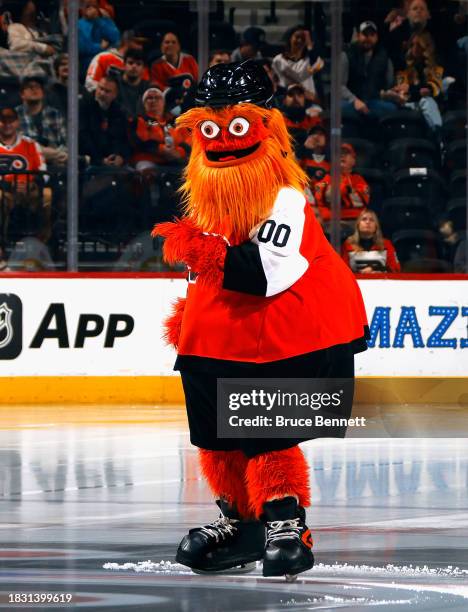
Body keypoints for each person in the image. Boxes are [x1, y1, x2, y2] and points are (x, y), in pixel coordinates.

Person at [152, 61, 368, 579]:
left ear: (265, 128)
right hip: (222, 337)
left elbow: (262, 274)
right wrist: (190, 316)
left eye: (237, 126)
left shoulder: (284, 199)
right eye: (211, 128)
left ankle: (284, 519)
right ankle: (242, 520)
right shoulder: (208, 206)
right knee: (216, 436)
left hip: (287, 332)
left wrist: (197, 251)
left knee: (266, 430)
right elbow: (210, 277)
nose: (223, 141)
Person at [0, 106, 52, 243]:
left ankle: (42, 241)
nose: (7, 125)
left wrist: (30, 183)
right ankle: (1, 244)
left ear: (17, 122)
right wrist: (8, 185)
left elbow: (43, 171)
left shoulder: (30, 144)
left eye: (10, 121)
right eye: (3, 121)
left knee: (47, 194)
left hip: (29, 190)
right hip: (5, 191)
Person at [342, 21, 397, 121]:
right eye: (365, 34)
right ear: (358, 36)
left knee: (391, 109)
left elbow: (389, 86)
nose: (368, 38)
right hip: (350, 102)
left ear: (376, 38)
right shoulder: (346, 55)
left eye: (372, 35)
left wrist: (390, 94)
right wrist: (355, 101)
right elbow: (339, 86)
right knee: (339, 108)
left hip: (374, 102)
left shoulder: (385, 59)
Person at [391, 31, 443, 135]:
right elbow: (403, 94)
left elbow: (434, 88)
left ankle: (438, 135)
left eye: (418, 45)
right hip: (408, 104)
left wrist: (411, 88)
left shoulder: (435, 67)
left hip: (428, 103)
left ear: (426, 47)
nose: (414, 48)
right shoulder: (403, 66)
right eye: (412, 44)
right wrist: (416, 90)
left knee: (427, 101)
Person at [129, 87, 189, 172]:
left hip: (174, 161)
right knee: (147, 171)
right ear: (143, 103)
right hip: (148, 160)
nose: (153, 100)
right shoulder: (138, 120)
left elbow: (186, 143)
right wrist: (161, 149)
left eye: (157, 97)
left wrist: (179, 153)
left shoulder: (176, 121)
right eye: (149, 98)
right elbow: (138, 142)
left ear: (163, 102)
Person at [15, 76, 67, 167]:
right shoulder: (14, 116)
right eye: (30, 87)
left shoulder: (55, 114)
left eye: (38, 87)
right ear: (22, 94)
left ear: (43, 93)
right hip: (25, 164)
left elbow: (64, 142)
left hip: (55, 164)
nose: (34, 90)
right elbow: (16, 145)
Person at [79, 75, 129, 167]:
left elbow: (122, 138)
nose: (102, 93)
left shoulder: (119, 111)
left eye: (107, 91)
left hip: (112, 161)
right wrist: (100, 160)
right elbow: (83, 137)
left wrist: (120, 156)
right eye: (100, 88)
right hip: (89, 159)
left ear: (115, 94)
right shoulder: (84, 106)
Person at [314, 143, 370, 222]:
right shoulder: (326, 178)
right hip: (332, 223)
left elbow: (362, 201)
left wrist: (334, 193)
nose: (342, 156)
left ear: (353, 160)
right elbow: (320, 195)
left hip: (355, 222)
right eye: (339, 154)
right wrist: (348, 191)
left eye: (346, 153)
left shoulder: (358, 179)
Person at [272, 26, 324, 102]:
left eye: (303, 38)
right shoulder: (279, 60)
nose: (299, 40)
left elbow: (319, 64)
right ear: (290, 38)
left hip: (308, 103)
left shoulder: (309, 60)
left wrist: (309, 45)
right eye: (297, 37)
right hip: (286, 101)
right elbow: (276, 84)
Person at [78, 0, 120, 76]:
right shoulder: (78, 25)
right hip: (86, 67)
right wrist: (100, 47)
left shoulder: (105, 21)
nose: (92, 10)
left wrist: (98, 20)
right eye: (88, 6)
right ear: (82, 8)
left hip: (106, 66)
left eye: (94, 7)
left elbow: (115, 38)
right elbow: (82, 48)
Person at [115, 48, 149, 118]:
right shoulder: (114, 84)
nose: (134, 66)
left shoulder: (147, 89)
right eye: (130, 63)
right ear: (124, 65)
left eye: (138, 64)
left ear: (143, 68)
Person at [299, 123, 330, 189]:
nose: (316, 136)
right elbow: (292, 165)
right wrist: (304, 147)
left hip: (321, 194)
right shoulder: (302, 154)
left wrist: (320, 185)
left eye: (321, 134)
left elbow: (330, 181)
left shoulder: (330, 160)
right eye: (314, 133)